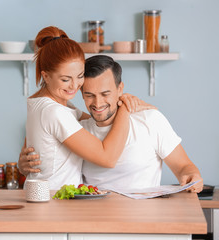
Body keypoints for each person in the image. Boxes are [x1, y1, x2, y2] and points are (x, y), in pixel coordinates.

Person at [20, 55, 203, 193]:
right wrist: (23, 164)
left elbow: (183, 166)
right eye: (89, 95)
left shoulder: (149, 120)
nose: (98, 104)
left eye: (105, 94)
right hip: (93, 222)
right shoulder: (78, 127)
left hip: (143, 219)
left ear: (120, 89)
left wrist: (191, 176)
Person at [24, 26, 154, 190]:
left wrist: (142, 108)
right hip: (53, 202)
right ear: (46, 76)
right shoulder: (55, 112)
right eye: (65, 79)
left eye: (79, 76)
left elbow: (98, 119)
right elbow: (108, 158)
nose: (74, 86)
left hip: (47, 197)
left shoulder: (42, 104)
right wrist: (125, 107)